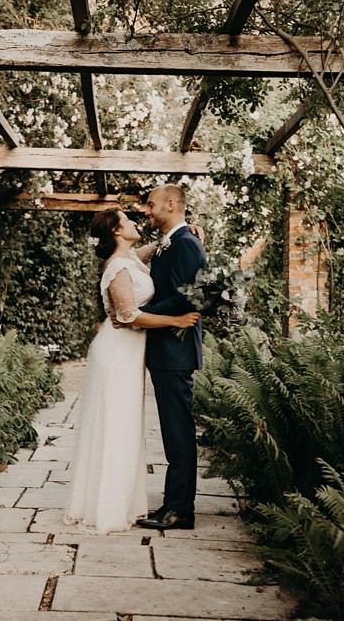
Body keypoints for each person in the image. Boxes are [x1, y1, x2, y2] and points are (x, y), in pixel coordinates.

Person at [63, 209, 200, 534]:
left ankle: (122, 499)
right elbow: (127, 315)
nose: (137, 223)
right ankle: (107, 506)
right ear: (116, 230)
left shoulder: (130, 258)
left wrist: (186, 231)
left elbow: (156, 248)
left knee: (124, 425)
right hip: (116, 353)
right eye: (128, 221)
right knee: (115, 425)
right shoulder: (117, 266)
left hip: (129, 353)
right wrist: (175, 320)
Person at [131, 184, 205, 531]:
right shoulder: (171, 243)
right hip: (165, 351)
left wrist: (138, 312)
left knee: (178, 433)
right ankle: (174, 503)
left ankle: (179, 509)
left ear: (172, 204)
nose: (147, 210)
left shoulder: (186, 244)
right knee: (172, 431)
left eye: (151, 204)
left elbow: (186, 299)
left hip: (176, 350)